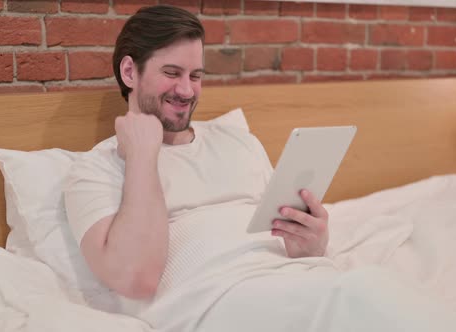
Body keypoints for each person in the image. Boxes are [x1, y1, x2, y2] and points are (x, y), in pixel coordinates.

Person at [63, 4, 329, 301]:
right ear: (129, 72)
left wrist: (312, 248)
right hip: (221, 299)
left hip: (294, 283)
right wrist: (141, 155)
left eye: (196, 76)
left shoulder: (240, 142)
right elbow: (136, 280)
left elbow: (287, 240)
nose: (187, 91)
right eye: (172, 73)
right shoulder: (95, 170)